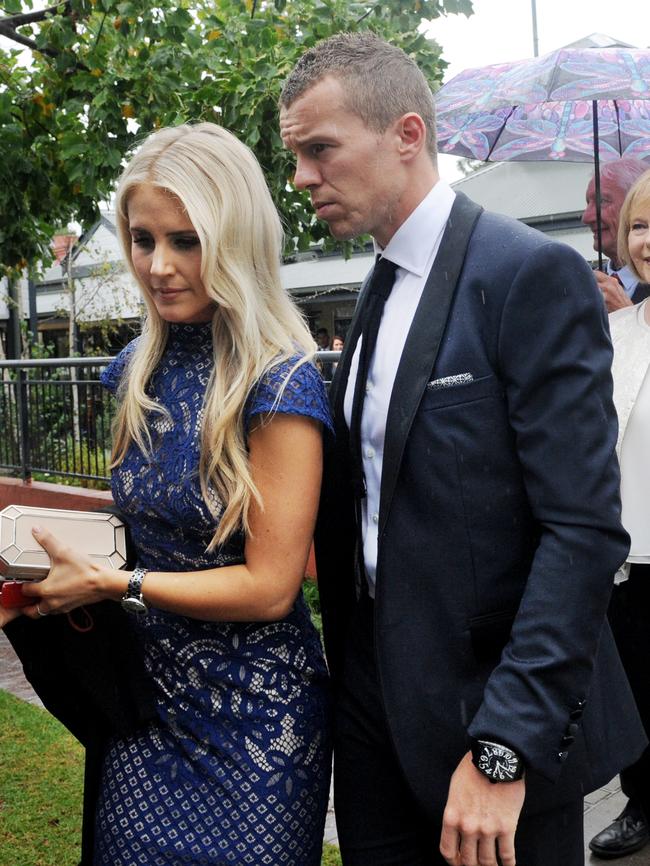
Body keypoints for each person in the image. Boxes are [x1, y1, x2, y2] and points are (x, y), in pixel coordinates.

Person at [279, 31, 646, 866]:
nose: (302, 178)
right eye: (297, 155)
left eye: (320, 149)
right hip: (373, 713)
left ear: (407, 136)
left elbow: (583, 533)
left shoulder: (529, 275)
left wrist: (503, 747)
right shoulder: (376, 286)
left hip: (492, 720)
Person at [1, 123, 332, 865]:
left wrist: (117, 583)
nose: (158, 265)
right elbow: (140, 521)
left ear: (236, 237)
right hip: (142, 708)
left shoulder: (280, 383)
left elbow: (272, 587)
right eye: (142, 239)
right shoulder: (131, 371)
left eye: (185, 240)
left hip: (258, 725)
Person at [589, 169, 650, 861]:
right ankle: (642, 800)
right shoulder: (616, 332)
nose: (647, 239)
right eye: (638, 224)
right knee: (637, 685)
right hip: (630, 553)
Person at [582, 157, 650, 312]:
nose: (586, 217)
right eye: (588, 203)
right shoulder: (585, 284)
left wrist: (626, 314)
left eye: (602, 201)